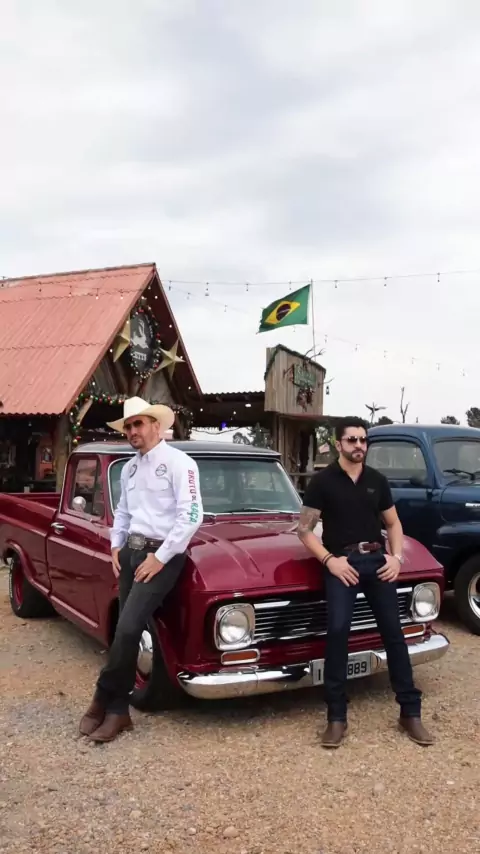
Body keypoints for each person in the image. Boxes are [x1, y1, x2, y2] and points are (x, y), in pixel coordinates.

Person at [297, 416, 434, 749]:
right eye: (352, 440)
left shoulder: (377, 480)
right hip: (341, 563)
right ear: (338, 444)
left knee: (394, 633)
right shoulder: (322, 482)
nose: (359, 445)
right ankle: (336, 717)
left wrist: (396, 558)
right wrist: (330, 561)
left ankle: (410, 713)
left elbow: (394, 523)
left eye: (363, 440)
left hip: (378, 561)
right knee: (338, 632)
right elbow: (304, 530)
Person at [79, 397, 203, 743]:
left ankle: (103, 696)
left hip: (162, 555)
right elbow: (123, 511)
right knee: (125, 628)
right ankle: (118, 710)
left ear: (156, 426)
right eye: (128, 426)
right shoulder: (129, 468)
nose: (132, 431)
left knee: (129, 627)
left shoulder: (180, 463)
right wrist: (115, 545)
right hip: (131, 553)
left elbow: (192, 515)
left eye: (139, 424)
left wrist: (160, 557)